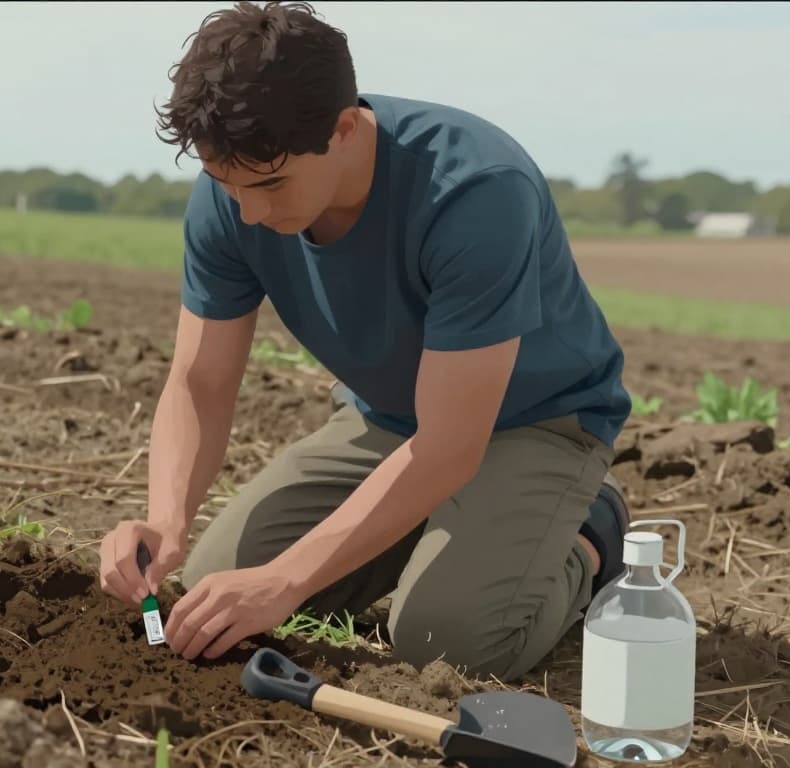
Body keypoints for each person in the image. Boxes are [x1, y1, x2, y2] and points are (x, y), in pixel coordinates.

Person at [98, 0, 633, 682]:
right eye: (224, 185)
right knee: (215, 587)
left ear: (345, 129)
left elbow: (449, 445)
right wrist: (167, 522)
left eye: (269, 184)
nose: (250, 212)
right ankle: (435, 533)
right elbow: (200, 383)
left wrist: (289, 580)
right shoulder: (234, 190)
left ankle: (590, 533)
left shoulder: (475, 192)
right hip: (388, 421)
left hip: (535, 424)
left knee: (448, 640)